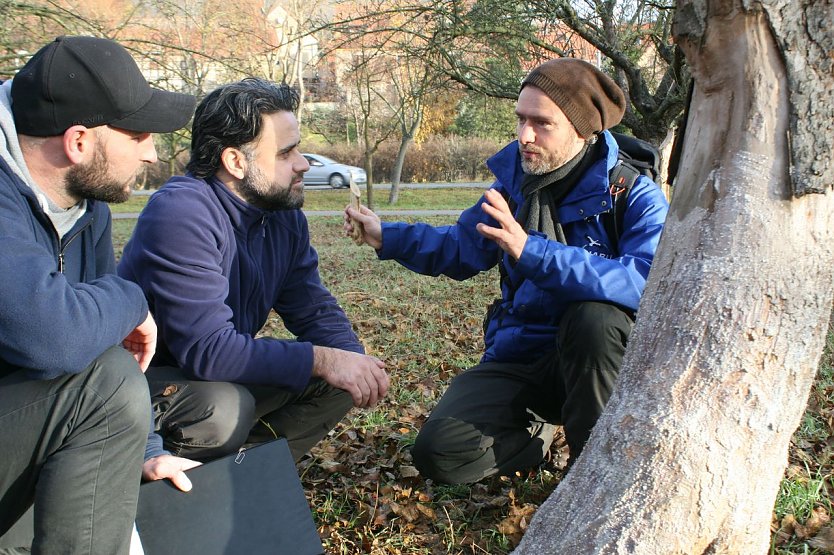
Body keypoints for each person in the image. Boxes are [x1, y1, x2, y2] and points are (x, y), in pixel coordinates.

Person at [345, 58, 670, 484]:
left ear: (583, 130)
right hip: (520, 355)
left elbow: (645, 281)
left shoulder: (634, 194)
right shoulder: (513, 187)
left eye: (541, 123)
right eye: (520, 119)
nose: (524, 136)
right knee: (439, 453)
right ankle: (538, 435)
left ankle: (593, 478)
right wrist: (385, 235)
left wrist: (529, 250)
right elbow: (459, 246)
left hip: (594, 365)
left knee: (596, 317)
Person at [118, 78, 389, 463]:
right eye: (285, 153)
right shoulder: (182, 213)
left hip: (213, 379)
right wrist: (325, 360)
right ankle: (167, 481)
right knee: (224, 407)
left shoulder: (281, 213)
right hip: (140, 387)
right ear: (235, 162)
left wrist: (352, 361)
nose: (302, 164)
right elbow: (208, 353)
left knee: (337, 378)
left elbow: (310, 304)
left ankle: (247, 472)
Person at [0, 36, 199, 554]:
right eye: (138, 133)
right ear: (79, 142)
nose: (154, 151)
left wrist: (145, 451)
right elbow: (54, 337)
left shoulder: (86, 207)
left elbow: (95, 342)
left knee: (109, 377)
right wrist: (132, 298)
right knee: (107, 383)